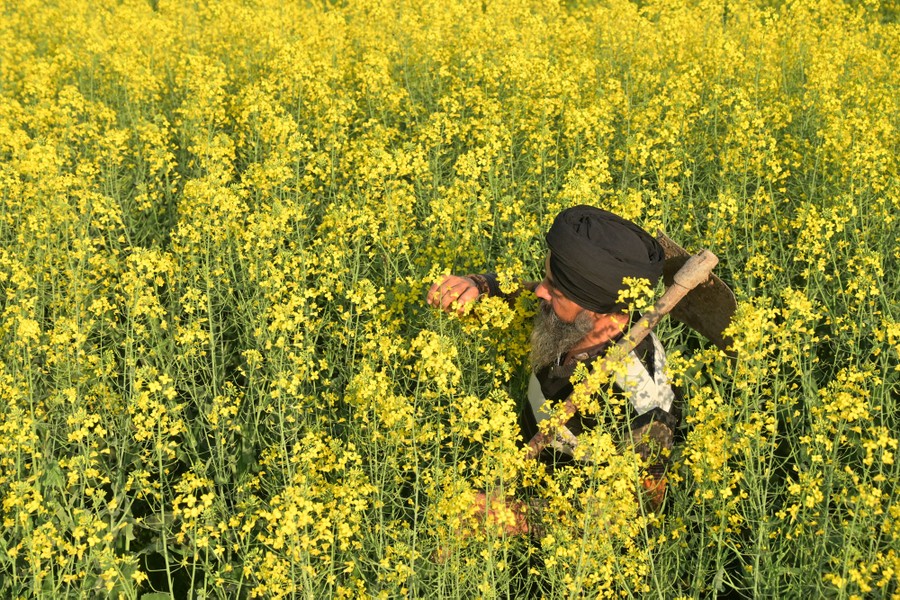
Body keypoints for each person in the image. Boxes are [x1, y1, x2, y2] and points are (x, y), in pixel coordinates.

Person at [427, 205, 680, 515]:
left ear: (598, 312)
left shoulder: (645, 404)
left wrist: (514, 517)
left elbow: (634, 511)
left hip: (567, 541)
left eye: (555, 289)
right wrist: (479, 286)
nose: (540, 292)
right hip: (518, 464)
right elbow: (526, 292)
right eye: (547, 278)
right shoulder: (569, 317)